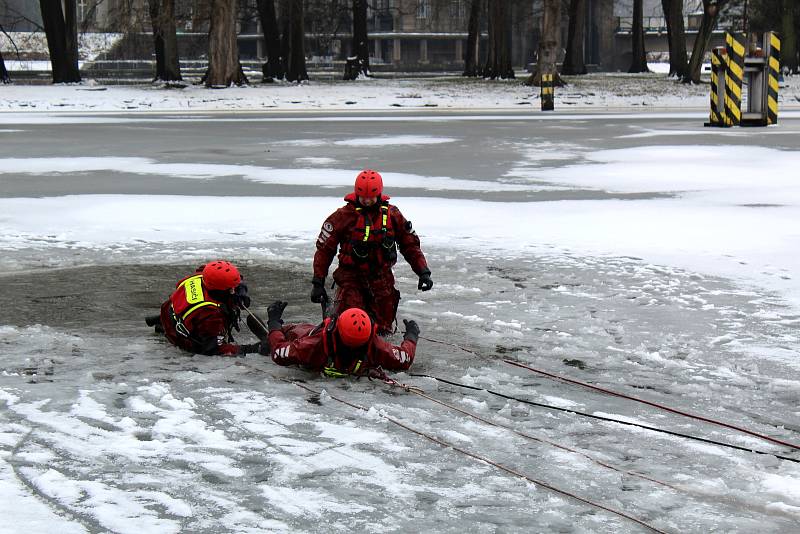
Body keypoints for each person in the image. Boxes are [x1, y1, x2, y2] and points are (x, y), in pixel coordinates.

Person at [311, 169, 433, 335]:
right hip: (351, 279)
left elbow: (410, 245)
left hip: (382, 280)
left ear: (379, 194)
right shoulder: (342, 216)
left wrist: (423, 272)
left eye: (371, 198)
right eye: (363, 198)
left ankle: (380, 353)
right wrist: (318, 282)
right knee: (349, 324)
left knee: (383, 329)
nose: (367, 201)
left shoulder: (392, 215)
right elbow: (324, 251)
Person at [262, 300, 420, 376]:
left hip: (305, 338)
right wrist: (411, 336)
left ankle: (269, 339)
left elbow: (278, 353)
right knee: (296, 333)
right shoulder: (376, 345)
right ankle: (270, 338)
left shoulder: (313, 344)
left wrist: (274, 323)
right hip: (314, 345)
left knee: (292, 331)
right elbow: (405, 358)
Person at [145, 260, 268, 356]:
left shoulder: (202, 276)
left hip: (170, 311)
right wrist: (252, 348)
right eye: (232, 289)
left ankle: (162, 322)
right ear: (220, 291)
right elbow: (212, 349)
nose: (234, 290)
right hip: (181, 335)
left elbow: (216, 271)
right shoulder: (211, 315)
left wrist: (241, 289)